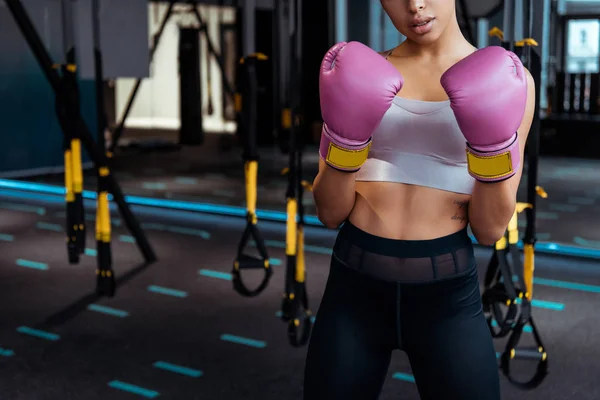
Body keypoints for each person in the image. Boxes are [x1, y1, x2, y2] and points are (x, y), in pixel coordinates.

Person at [304, 0, 535, 399]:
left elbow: (489, 228)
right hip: (353, 290)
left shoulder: (509, 81)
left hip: (446, 298)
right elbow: (329, 212)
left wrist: (492, 146)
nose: (415, 6)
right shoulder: (355, 72)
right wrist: (345, 142)